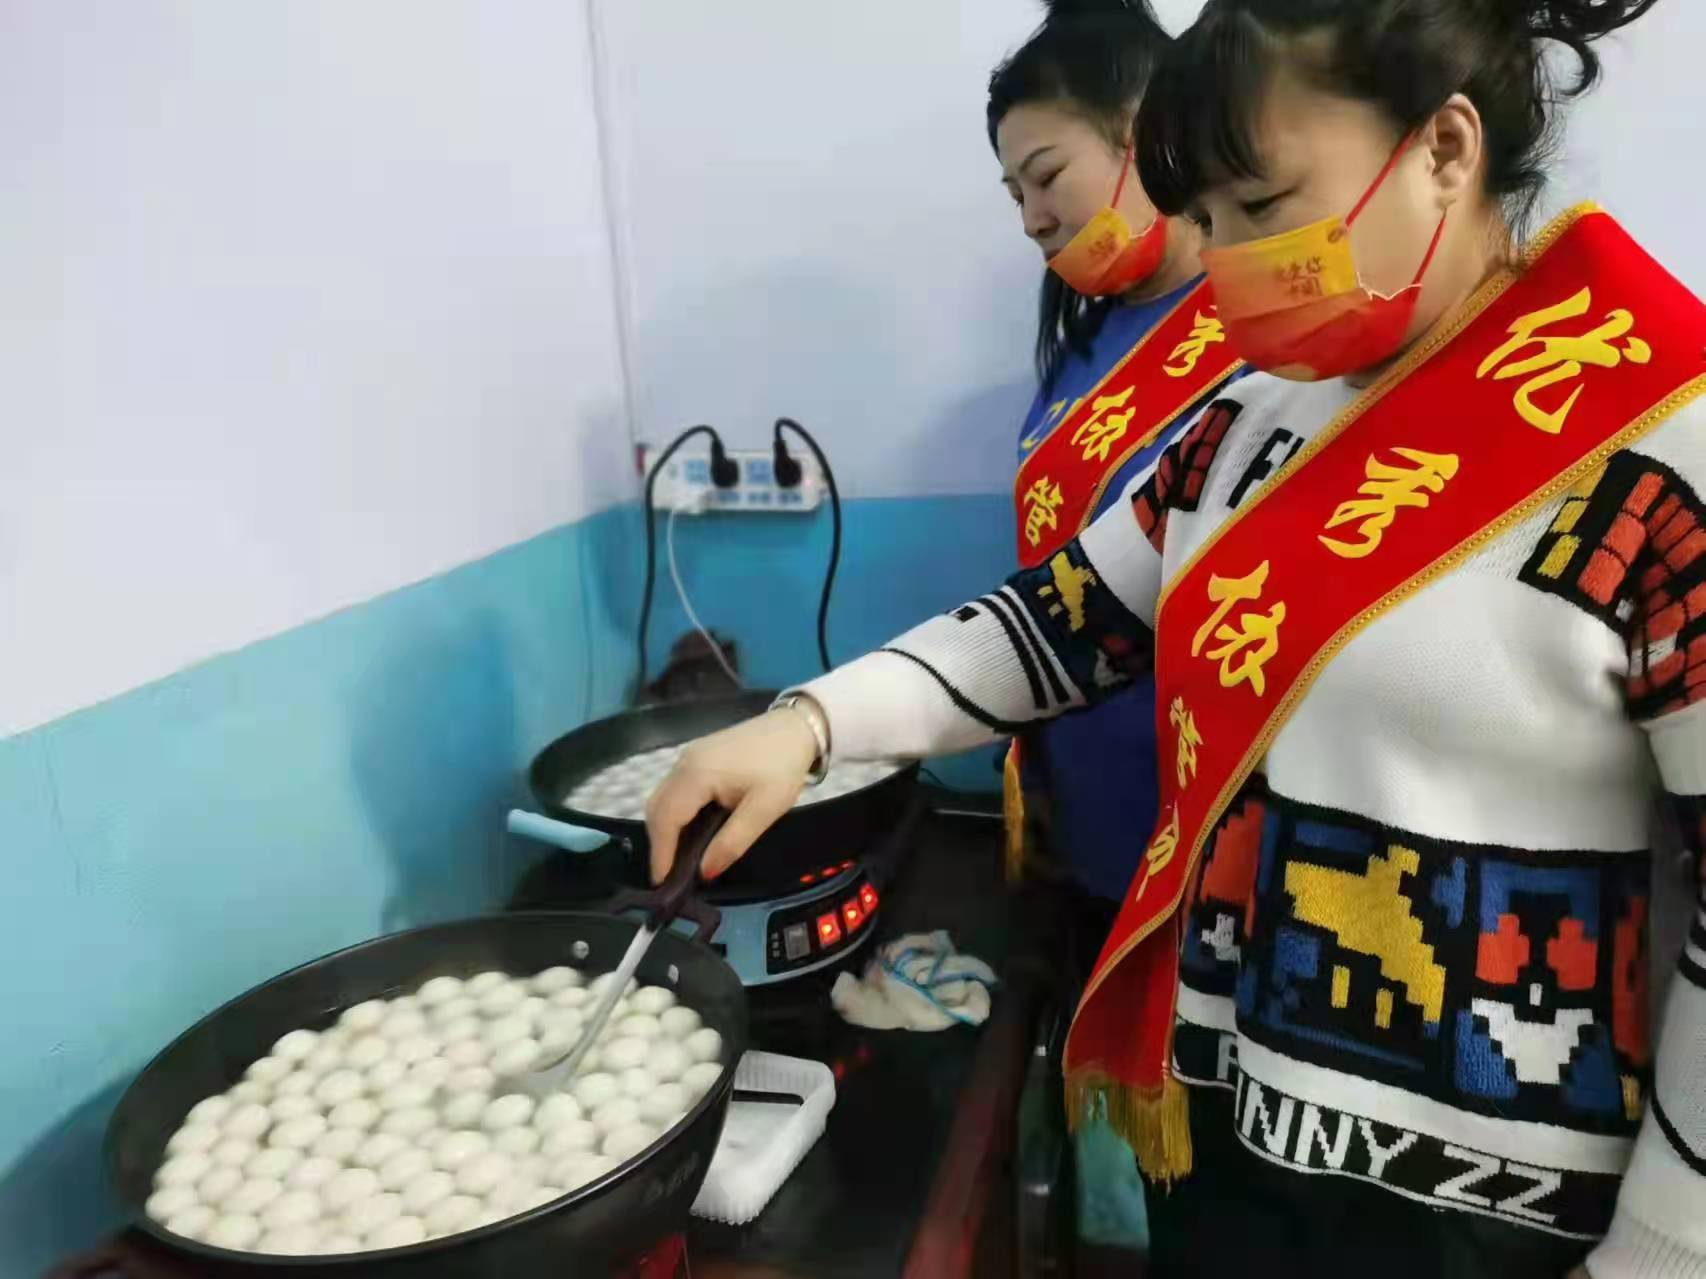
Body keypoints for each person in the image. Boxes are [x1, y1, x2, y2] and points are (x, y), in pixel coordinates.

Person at [649, 0, 1706, 1272]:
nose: (1222, 262)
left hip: (1483, 1207)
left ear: (1442, 147)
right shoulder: (1246, 426)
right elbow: (1056, 626)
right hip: (1224, 1117)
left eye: (1260, 206)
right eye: (1205, 216)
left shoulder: (1656, 436)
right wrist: (809, 724)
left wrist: (1663, 1245)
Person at [987, 0, 1245, 1255]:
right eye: (1012, 195)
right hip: (1092, 817)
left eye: (1045, 176)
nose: (1031, 218)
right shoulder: (1080, 341)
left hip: (1210, 841)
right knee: (1158, 1189)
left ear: (1142, 133)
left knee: (1231, 1182)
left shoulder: (1260, 331)